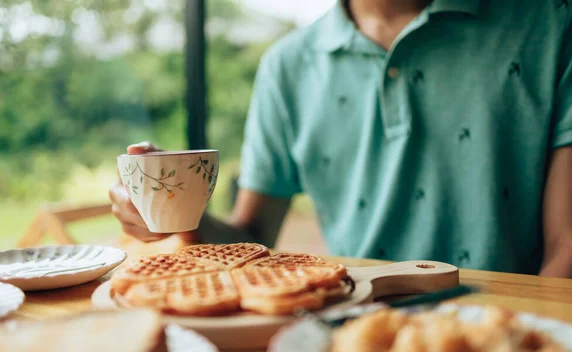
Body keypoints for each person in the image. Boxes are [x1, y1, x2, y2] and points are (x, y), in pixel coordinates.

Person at [110, 0, 572, 278]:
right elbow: (251, 239)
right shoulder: (286, 67)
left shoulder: (553, 24)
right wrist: (177, 215)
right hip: (347, 334)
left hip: (511, 333)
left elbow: (566, 247)